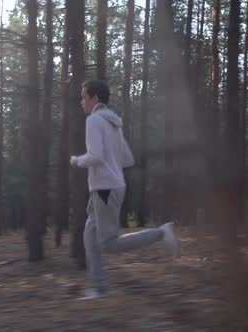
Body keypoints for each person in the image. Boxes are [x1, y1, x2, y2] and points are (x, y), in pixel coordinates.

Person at [70, 79, 180, 300]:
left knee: (109, 244)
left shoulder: (93, 121)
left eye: (84, 97)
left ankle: (161, 233)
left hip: (104, 188)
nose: (81, 101)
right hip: (109, 185)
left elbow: (95, 156)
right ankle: (99, 288)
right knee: (89, 237)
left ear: (95, 98)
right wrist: (110, 165)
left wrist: (76, 160)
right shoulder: (113, 122)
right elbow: (127, 158)